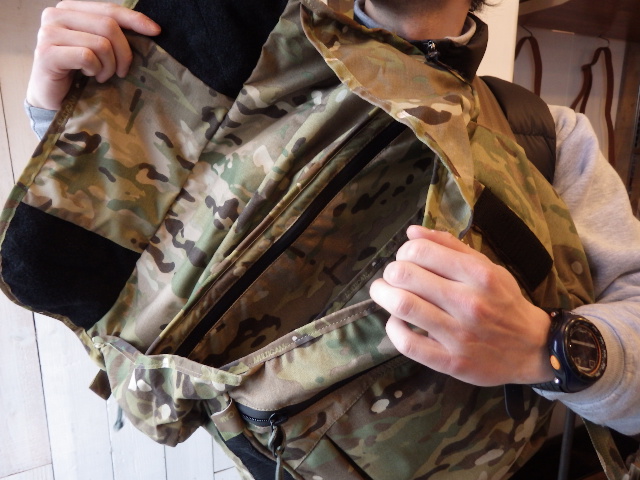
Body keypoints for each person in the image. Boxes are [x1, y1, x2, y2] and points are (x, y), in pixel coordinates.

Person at [20, 0, 640, 477]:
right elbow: (137, 277)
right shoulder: (247, 59)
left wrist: (543, 347)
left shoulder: (546, 139)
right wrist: (80, 112)